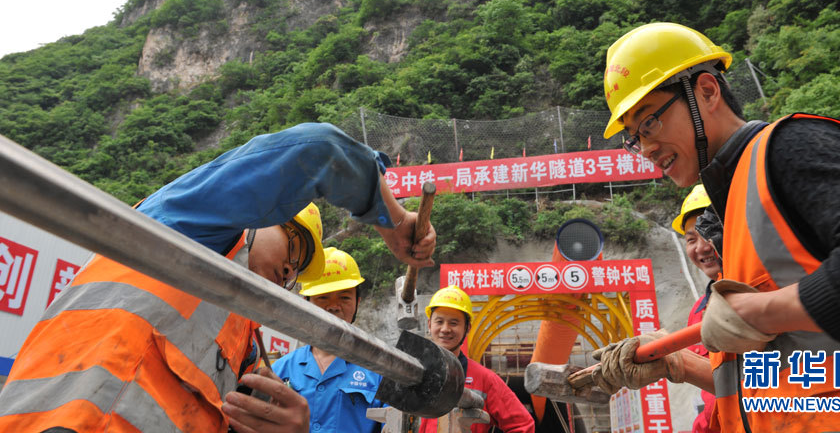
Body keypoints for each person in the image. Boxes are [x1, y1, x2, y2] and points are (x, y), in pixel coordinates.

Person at [0, 122, 436, 433]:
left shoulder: (242, 342)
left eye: (301, 269)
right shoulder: (180, 229)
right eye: (295, 247)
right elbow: (317, 151)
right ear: (261, 218)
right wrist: (393, 219)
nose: (291, 272)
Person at [592, 22, 840, 432]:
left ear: (706, 91)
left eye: (649, 122)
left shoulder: (791, 146)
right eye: (633, 136)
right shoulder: (736, 212)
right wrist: (679, 363)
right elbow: (790, 378)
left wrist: (763, 313)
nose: (645, 147)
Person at [271, 247, 384, 433]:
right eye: (322, 297)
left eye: (344, 297)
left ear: (358, 302)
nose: (333, 306)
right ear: (306, 303)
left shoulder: (379, 371)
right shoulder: (281, 370)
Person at [419, 285, 535, 433]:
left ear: (467, 328)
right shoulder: (414, 370)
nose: (445, 329)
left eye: (454, 323)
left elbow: (523, 425)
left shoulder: (485, 379)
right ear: (429, 324)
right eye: (439, 321)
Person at [671, 184, 723, 433]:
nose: (701, 247)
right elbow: (714, 397)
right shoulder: (700, 310)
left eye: (709, 233)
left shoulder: (761, 291)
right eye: (691, 239)